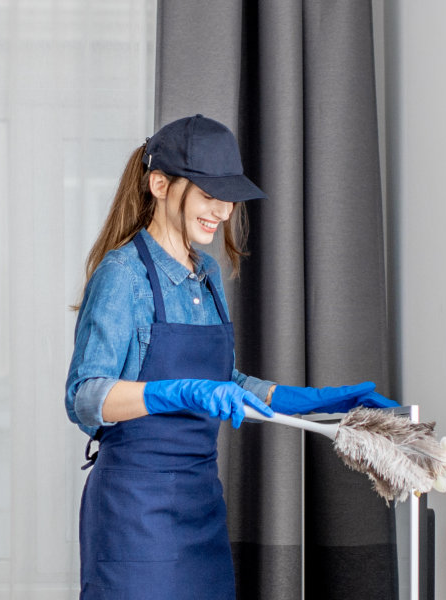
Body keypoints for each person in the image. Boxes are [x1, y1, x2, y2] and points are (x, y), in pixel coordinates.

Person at [64, 114, 396, 599]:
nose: (222, 211)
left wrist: (302, 400)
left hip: (201, 505)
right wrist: (176, 391)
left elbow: (223, 380)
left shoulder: (208, 275)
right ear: (159, 184)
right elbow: (85, 397)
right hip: (135, 510)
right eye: (208, 194)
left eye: (229, 198)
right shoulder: (124, 274)